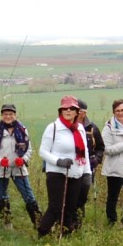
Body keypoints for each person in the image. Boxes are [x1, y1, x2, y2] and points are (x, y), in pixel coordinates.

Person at [37, 95, 89, 237]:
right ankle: (41, 234)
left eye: (72, 108)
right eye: (65, 108)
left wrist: (87, 173)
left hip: (76, 172)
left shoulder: (80, 129)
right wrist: (58, 161)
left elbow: (85, 152)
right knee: (56, 207)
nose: (68, 110)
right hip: (56, 172)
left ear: (77, 111)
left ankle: (65, 235)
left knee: (71, 208)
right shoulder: (53, 128)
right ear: (60, 111)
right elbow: (43, 151)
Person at [0, 103, 41, 229]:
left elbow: (29, 150)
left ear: (15, 115)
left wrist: (23, 159)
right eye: (5, 114)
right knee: (3, 196)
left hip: (19, 169)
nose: (8, 116)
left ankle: (38, 224)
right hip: (0, 170)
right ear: (1, 115)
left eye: (11, 114)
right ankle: (7, 224)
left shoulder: (23, 130)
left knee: (29, 195)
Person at [73, 99, 104, 228]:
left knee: (82, 194)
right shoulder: (68, 127)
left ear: (85, 113)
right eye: (77, 111)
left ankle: (79, 222)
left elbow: (101, 147)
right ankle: (71, 221)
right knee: (72, 194)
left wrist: (96, 159)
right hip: (72, 166)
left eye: (81, 112)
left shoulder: (92, 128)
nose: (79, 114)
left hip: (88, 166)